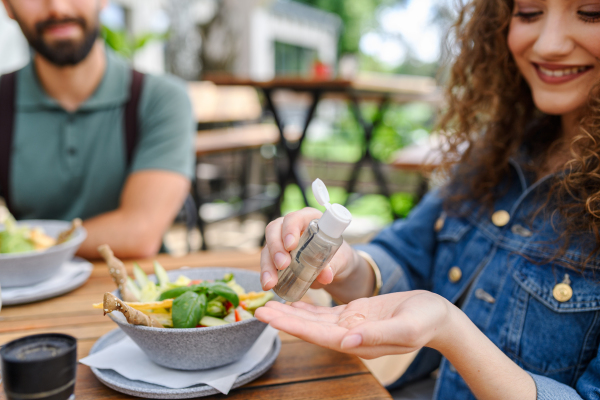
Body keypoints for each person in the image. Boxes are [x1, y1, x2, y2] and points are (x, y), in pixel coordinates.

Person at [256, 0, 600, 398]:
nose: (549, 44)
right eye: (528, 13)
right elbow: (406, 253)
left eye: (592, 12)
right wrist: (343, 264)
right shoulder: (498, 151)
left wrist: (450, 331)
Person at [0, 0, 195, 259]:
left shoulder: (160, 98)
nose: (58, 8)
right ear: (8, 7)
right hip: (29, 292)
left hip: (134, 290)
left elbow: (139, 234)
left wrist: (30, 247)